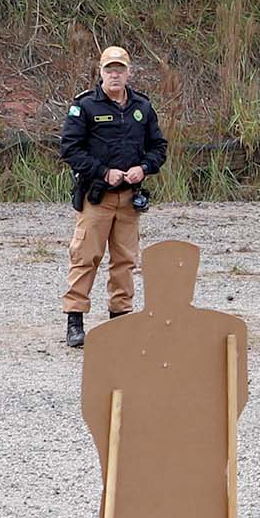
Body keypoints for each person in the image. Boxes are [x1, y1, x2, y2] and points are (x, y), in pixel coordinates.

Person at [59, 45, 166, 348]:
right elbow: (70, 149)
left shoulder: (142, 107)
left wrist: (143, 168)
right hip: (97, 197)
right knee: (85, 257)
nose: (115, 74)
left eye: (120, 69)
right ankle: (75, 319)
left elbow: (159, 147)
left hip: (128, 199)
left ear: (129, 72)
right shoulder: (85, 106)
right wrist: (103, 172)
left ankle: (120, 319)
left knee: (125, 261)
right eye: (109, 69)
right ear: (101, 72)